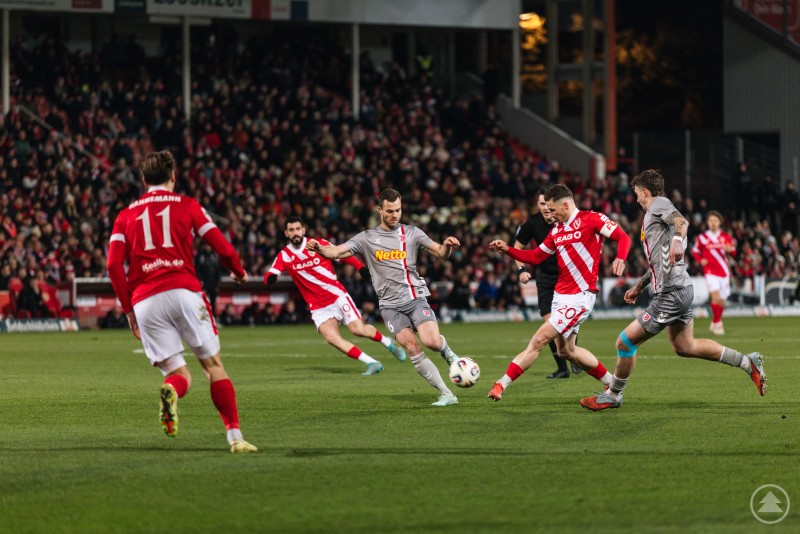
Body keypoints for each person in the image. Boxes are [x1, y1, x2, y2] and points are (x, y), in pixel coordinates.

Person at [106, 150, 257, 453]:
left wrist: (129, 311)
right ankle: (235, 438)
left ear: (144, 179)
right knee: (213, 366)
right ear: (173, 176)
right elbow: (223, 248)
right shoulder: (188, 206)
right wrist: (238, 271)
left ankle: (171, 391)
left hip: (145, 301)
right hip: (183, 291)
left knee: (178, 374)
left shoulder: (125, 215)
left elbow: (113, 265)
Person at [580, 170, 766, 411]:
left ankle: (613, 395)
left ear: (645, 192)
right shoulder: (656, 214)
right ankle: (746, 362)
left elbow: (682, 222)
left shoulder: (659, 204)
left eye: (637, 194)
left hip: (671, 293)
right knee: (685, 346)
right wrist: (640, 285)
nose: (636, 199)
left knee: (625, 343)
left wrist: (678, 239)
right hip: (681, 288)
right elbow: (661, 260)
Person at [307, 188, 461, 407]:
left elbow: (439, 252)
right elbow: (337, 252)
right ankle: (446, 394)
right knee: (413, 348)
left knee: (431, 342)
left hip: (415, 298)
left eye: (398, 210)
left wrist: (447, 246)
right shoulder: (367, 238)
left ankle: (447, 352)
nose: (394, 215)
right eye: (389, 211)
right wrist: (320, 249)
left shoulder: (412, 233)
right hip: (390, 306)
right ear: (380, 210)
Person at [487, 184, 632, 401]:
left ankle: (501, 384)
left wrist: (620, 257)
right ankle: (612, 385)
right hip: (560, 296)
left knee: (539, 340)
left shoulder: (592, 219)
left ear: (565, 204)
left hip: (580, 296)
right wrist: (508, 250)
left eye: (553, 210)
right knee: (567, 351)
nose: (550, 214)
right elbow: (536, 256)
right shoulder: (557, 230)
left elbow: (623, 237)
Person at [265, 217, 407, 375]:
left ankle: (388, 343)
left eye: (298, 229)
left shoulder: (318, 244)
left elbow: (343, 254)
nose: (295, 233)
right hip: (317, 306)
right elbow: (271, 273)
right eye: (291, 230)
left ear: (303, 230)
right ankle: (372, 363)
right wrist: (270, 278)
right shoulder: (284, 255)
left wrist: (360, 268)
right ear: (286, 233)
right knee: (332, 338)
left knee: (358, 330)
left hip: (336, 296)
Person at [514, 189, 582, 379]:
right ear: (537, 205)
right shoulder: (531, 224)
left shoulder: (565, 220)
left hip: (567, 277)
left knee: (567, 322)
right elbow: (518, 248)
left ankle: (573, 355)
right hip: (545, 279)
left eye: (547, 204)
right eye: (541, 204)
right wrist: (521, 270)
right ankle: (562, 368)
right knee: (551, 323)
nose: (545, 208)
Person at [691, 210, 735, 335]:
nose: (713, 223)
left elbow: (734, 252)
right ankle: (717, 324)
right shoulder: (703, 238)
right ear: (707, 223)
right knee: (715, 297)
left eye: (715, 221)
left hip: (724, 271)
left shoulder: (725, 236)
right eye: (710, 221)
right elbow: (695, 251)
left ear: (720, 222)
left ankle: (716, 320)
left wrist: (729, 249)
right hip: (710, 271)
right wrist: (701, 260)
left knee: (722, 300)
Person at [195, 242, 223, 320]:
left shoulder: (214, 256)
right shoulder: (200, 256)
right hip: (204, 284)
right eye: (206, 245)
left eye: (209, 245)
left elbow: (218, 270)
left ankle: (213, 319)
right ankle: (202, 319)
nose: (208, 247)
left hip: (213, 284)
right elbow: (197, 270)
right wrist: (200, 281)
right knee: (202, 303)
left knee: (213, 303)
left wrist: (217, 283)